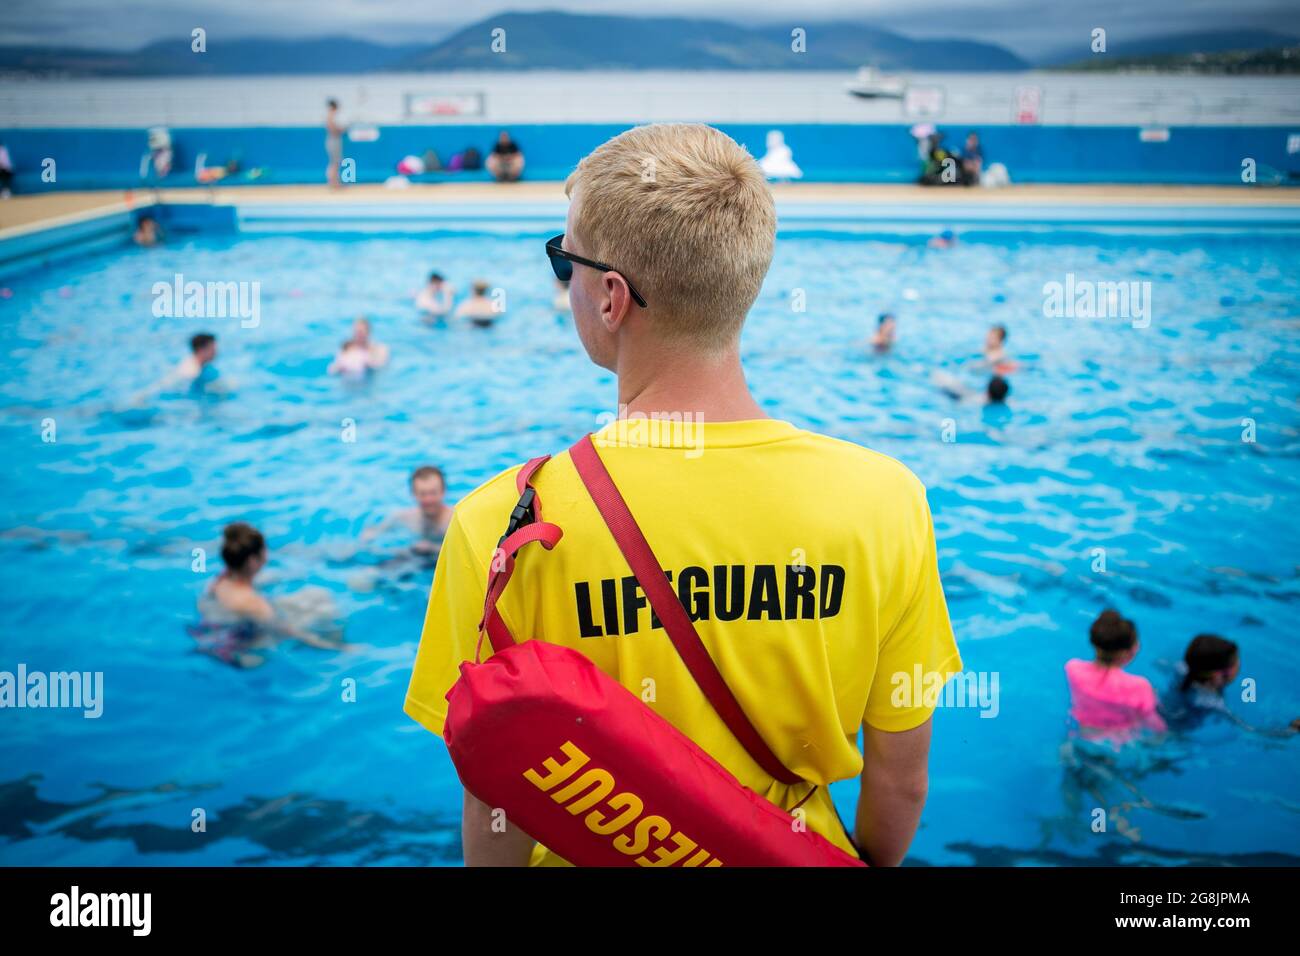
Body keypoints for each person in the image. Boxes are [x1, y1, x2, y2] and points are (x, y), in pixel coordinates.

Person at [405, 123, 961, 867]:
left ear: (611, 297)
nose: (562, 281)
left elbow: (497, 802)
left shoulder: (506, 522)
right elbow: (901, 778)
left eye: (561, 260)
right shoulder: (885, 500)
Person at [193, 523, 346, 666]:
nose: (267, 554)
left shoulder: (219, 581)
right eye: (264, 550)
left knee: (312, 596)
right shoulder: (255, 604)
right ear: (253, 561)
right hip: (243, 653)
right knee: (322, 602)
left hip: (217, 633)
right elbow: (290, 632)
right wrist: (338, 648)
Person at [1161, 634, 1300, 736]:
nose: (1239, 663)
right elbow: (1251, 731)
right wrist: (1292, 730)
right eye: (1236, 661)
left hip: (1161, 712)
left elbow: (1161, 663)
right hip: (1173, 734)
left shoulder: (1181, 668)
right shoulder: (1210, 702)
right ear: (1219, 675)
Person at [1065, 609, 1166, 743]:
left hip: (1083, 733)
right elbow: (1151, 721)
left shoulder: (1073, 668)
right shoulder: (1139, 686)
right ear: (1129, 652)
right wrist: (1163, 732)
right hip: (1119, 742)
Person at [361, 466, 454, 556]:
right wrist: (368, 536)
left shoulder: (454, 519)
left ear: (443, 491)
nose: (428, 499)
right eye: (423, 494)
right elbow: (376, 530)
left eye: (433, 493)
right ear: (413, 493)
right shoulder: (405, 516)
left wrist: (432, 548)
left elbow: (458, 552)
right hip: (413, 557)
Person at [933, 370, 1009, 405]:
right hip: (968, 396)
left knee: (941, 379)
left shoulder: (979, 401)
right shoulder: (1007, 402)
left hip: (962, 397)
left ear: (987, 391)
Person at [325, 99, 345, 189]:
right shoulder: (331, 116)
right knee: (335, 162)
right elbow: (333, 130)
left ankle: (334, 183)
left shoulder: (331, 116)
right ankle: (333, 183)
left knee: (335, 162)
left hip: (333, 140)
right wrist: (341, 129)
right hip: (334, 140)